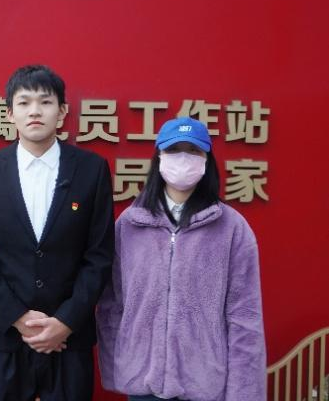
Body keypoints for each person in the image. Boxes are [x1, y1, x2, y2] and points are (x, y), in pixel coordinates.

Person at [0, 64, 115, 401]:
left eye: (45, 102)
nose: (34, 111)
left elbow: (100, 255)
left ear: (62, 112)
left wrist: (66, 321)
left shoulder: (91, 169)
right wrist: (16, 316)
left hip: (69, 338)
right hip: (6, 336)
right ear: (9, 113)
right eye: (24, 102)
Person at [96, 117, 266, 401]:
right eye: (174, 150)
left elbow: (244, 317)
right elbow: (112, 303)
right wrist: (120, 366)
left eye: (193, 151)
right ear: (159, 157)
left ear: (206, 160)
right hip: (143, 382)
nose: (183, 158)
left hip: (205, 384)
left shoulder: (231, 228)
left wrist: (243, 393)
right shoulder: (130, 223)